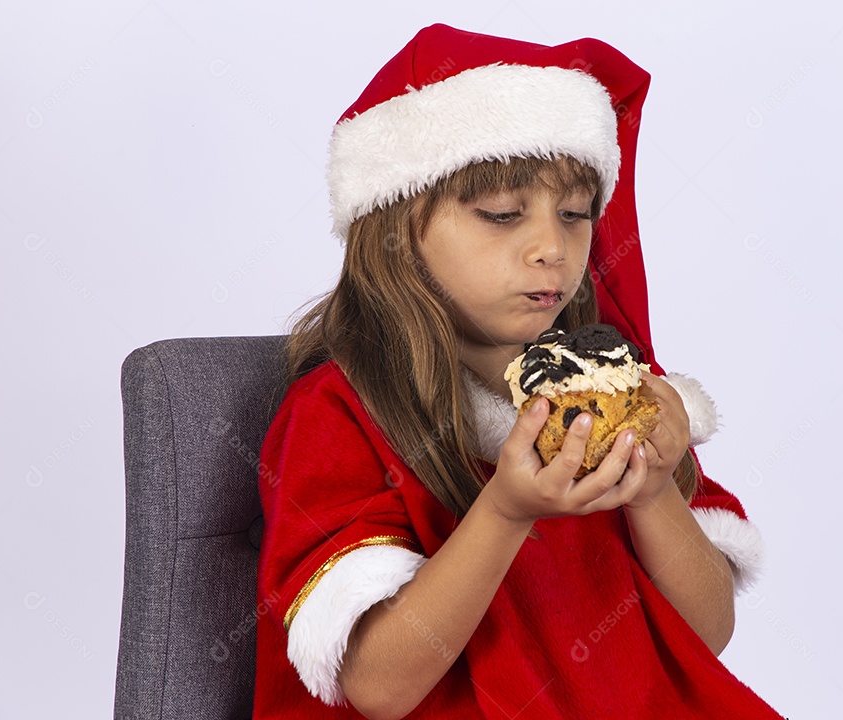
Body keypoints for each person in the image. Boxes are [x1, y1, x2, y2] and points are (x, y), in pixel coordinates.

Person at [253, 23, 784, 719]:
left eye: (574, 214)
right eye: (502, 215)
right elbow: (378, 687)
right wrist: (505, 511)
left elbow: (705, 637)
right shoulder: (338, 416)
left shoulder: (612, 398)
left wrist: (654, 490)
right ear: (395, 234)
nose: (551, 248)